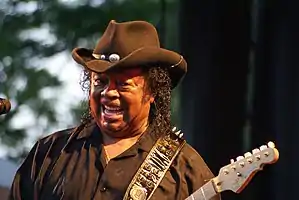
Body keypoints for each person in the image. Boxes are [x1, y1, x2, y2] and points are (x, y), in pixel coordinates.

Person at [9, 20, 221, 200]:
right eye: (100, 81)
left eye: (123, 84)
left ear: (152, 91)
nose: (108, 92)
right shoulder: (48, 154)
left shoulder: (186, 171)